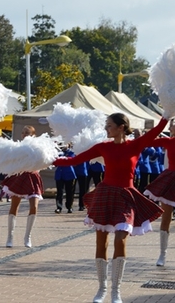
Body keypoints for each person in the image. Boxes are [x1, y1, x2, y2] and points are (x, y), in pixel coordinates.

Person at [53, 113, 167, 303]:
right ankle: (102, 288)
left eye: (110, 125)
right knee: (101, 242)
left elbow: (156, 131)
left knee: (121, 239)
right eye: (106, 125)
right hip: (105, 193)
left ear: (121, 127)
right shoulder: (102, 147)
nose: (107, 129)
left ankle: (116, 291)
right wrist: (49, 160)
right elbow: (75, 160)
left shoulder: (135, 144)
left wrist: (167, 115)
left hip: (126, 195)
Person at [1, 125, 43, 248]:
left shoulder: (38, 147)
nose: (24, 135)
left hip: (33, 177)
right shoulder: (17, 147)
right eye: (23, 133)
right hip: (19, 176)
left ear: (33, 135)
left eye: (27, 133)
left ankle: (27, 237)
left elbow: (43, 161)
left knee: (34, 206)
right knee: (14, 206)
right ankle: (10, 237)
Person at [145, 121, 175, 267]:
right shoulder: (168, 141)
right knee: (166, 216)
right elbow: (148, 140)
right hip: (171, 178)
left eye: (173, 124)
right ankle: (162, 253)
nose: (170, 127)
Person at [54, 143, 77, 214]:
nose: (62, 145)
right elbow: (54, 162)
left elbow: (71, 160)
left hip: (69, 174)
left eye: (64, 143)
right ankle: (59, 207)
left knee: (69, 192)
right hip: (59, 175)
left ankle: (69, 207)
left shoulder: (71, 152)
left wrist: (61, 160)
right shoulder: (56, 152)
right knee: (59, 192)